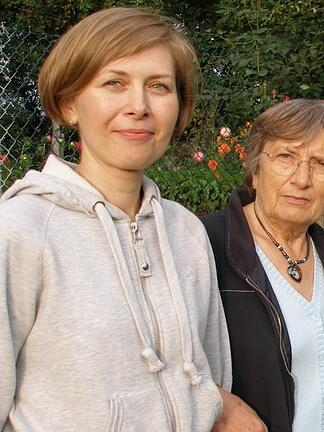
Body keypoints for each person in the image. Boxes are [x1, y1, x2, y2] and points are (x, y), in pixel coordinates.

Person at [0, 7, 231, 431]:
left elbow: (211, 381)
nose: (139, 106)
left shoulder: (186, 232)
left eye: (159, 87)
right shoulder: (19, 231)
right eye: (114, 83)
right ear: (70, 103)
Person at [202, 99, 324, 432]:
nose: (302, 178)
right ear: (256, 168)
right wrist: (215, 403)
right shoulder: (205, 244)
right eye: (286, 157)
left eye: (321, 163)